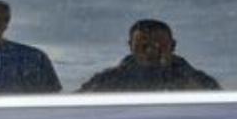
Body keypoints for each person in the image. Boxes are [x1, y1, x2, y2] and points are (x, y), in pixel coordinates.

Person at [79, 19, 220, 93]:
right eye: (143, 46)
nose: (151, 51)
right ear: (131, 47)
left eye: (159, 45)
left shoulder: (197, 81)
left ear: (172, 46)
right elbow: (76, 109)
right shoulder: (108, 81)